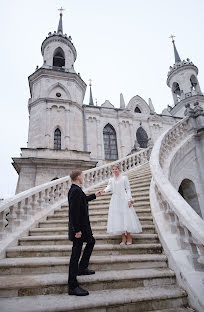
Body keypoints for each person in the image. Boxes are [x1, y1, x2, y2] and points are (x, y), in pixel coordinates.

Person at [68, 169, 102, 296]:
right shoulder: (75, 190)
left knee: (91, 241)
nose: (83, 177)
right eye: (82, 176)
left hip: (83, 227)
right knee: (75, 255)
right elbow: (73, 212)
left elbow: (83, 200)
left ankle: (82, 268)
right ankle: (72, 286)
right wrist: (76, 230)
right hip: (79, 229)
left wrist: (95, 195)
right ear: (77, 177)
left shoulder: (76, 189)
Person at [103, 164, 142, 245]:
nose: (114, 171)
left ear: (119, 169)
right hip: (115, 200)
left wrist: (129, 199)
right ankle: (123, 238)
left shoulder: (124, 178)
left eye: (116, 169)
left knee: (126, 217)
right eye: (113, 169)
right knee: (118, 218)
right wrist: (103, 191)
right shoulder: (111, 180)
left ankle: (129, 237)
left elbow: (128, 189)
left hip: (124, 198)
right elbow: (109, 187)